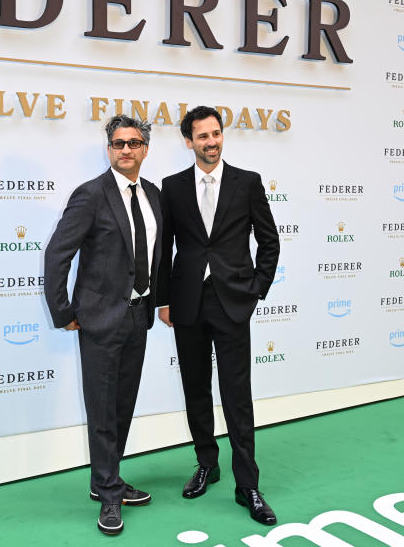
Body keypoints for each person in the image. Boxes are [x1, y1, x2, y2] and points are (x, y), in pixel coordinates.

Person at [157, 105, 281, 525]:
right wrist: (163, 299)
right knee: (195, 388)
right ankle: (207, 463)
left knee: (236, 396)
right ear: (188, 142)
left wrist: (256, 289)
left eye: (216, 134)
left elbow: (269, 241)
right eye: (202, 136)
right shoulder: (171, 187)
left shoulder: (247, 183)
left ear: (222, 136)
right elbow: (163, 250)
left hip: (232, 302)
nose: (211, 142)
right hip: (188, 302)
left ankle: (247, 484)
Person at [43, 115, 162, 536]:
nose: (125, 150)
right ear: (108, 149)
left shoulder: (153, 195)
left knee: (122, 405)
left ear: (145, 149)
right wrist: (64, 311)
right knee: (101, 409)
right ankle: (109, 495)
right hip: (99, 319)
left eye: (133, 143)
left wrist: (158, 302)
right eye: (117, 144)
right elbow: (58, 254)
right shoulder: (90, 194)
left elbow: (153, 255)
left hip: (138, 316)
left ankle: (105, 479)